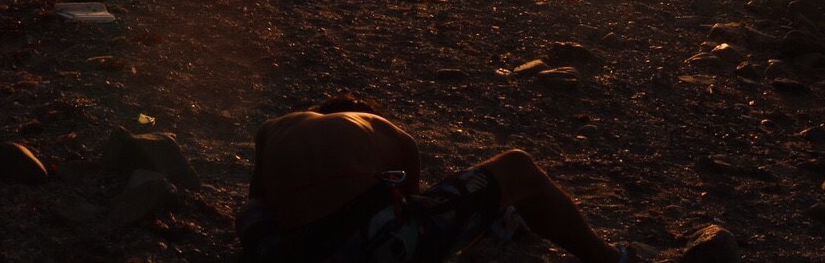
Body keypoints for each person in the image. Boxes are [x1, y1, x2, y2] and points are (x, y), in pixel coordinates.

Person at [237, 98, 630, 263]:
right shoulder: (383, 128)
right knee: (518, 165)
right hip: (365, 244)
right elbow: (414, 206)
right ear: (359, 113)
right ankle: (613, 259)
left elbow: (258, 203)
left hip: (282, 251)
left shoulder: (273, 130)